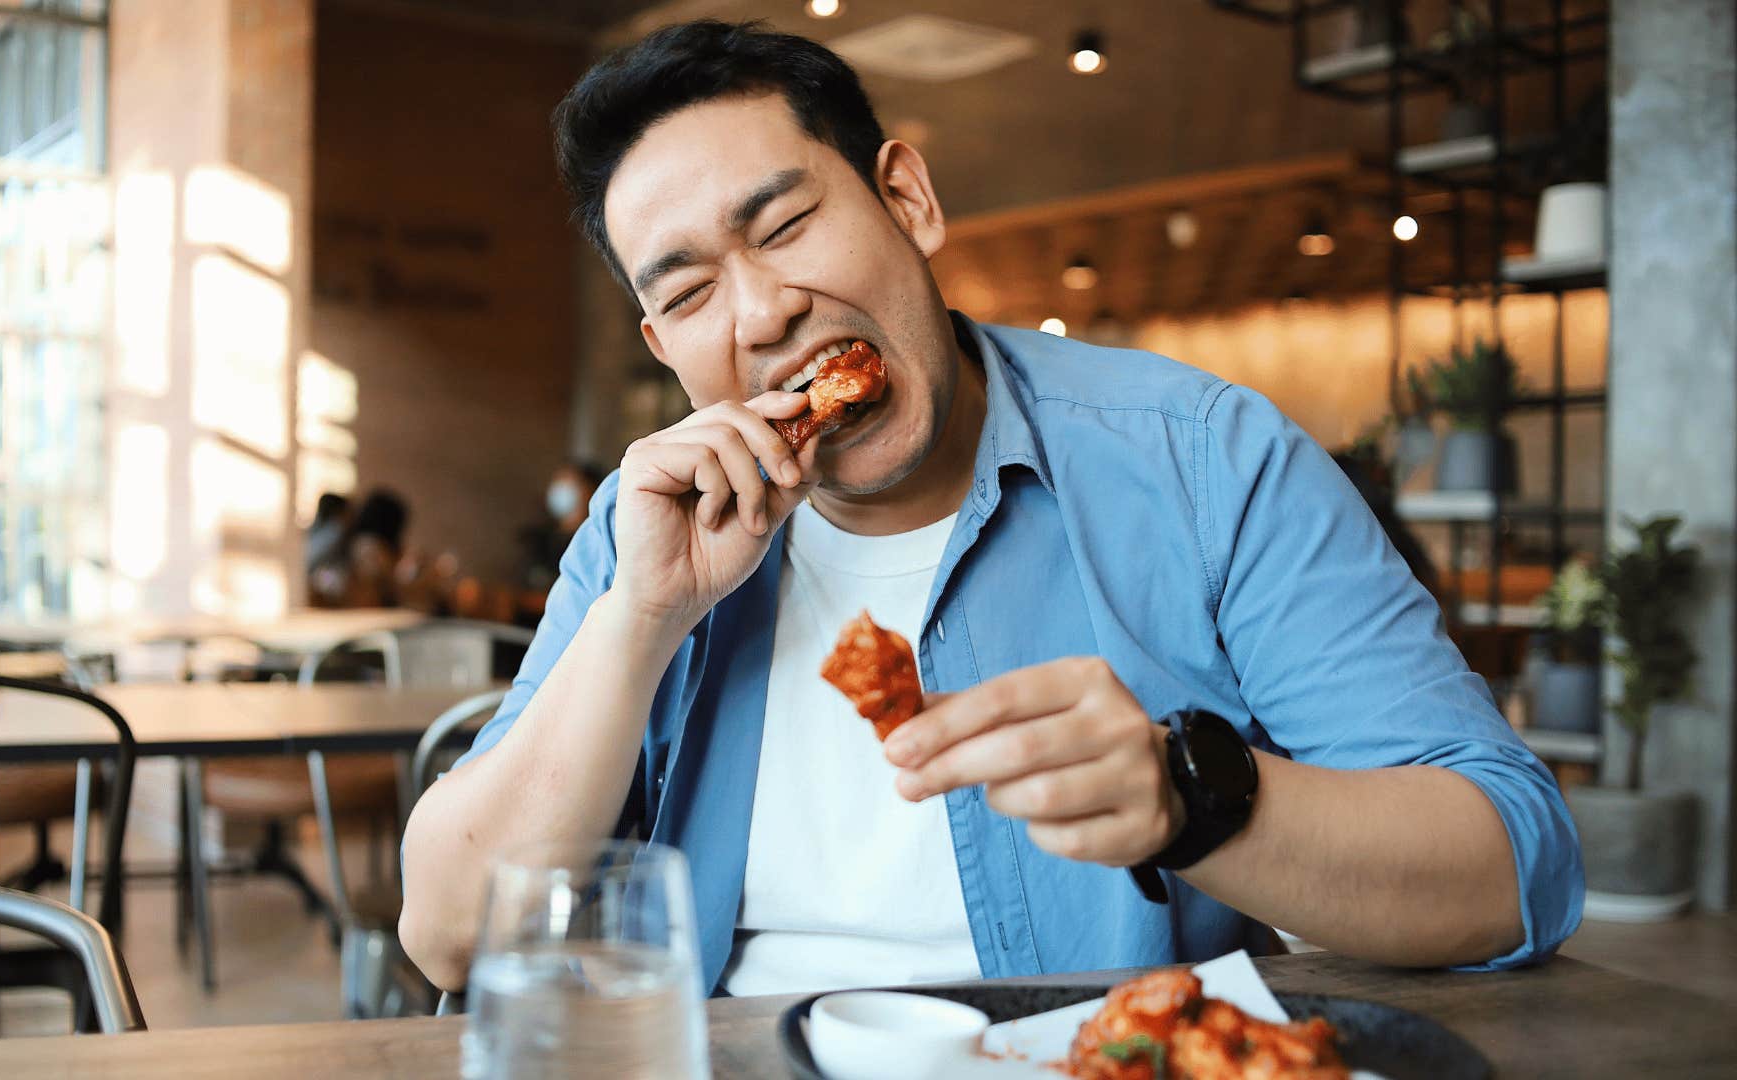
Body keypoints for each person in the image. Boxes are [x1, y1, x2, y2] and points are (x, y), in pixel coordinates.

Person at [400, 20, 1582, 997]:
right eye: (695, 291)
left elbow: (1509, 868)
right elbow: (450, 934)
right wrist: (641, 619)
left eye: (786, 225)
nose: (761, 315)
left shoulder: (1204, 460)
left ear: (906, 199)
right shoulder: (644, 525)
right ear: (666, 347)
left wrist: (1195, 803)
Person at [519, 460, 606, 592]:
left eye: (571, 485)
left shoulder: (600, 543)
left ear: (592, 490)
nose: (562, 491)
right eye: (559, 482)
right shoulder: (537, 542)